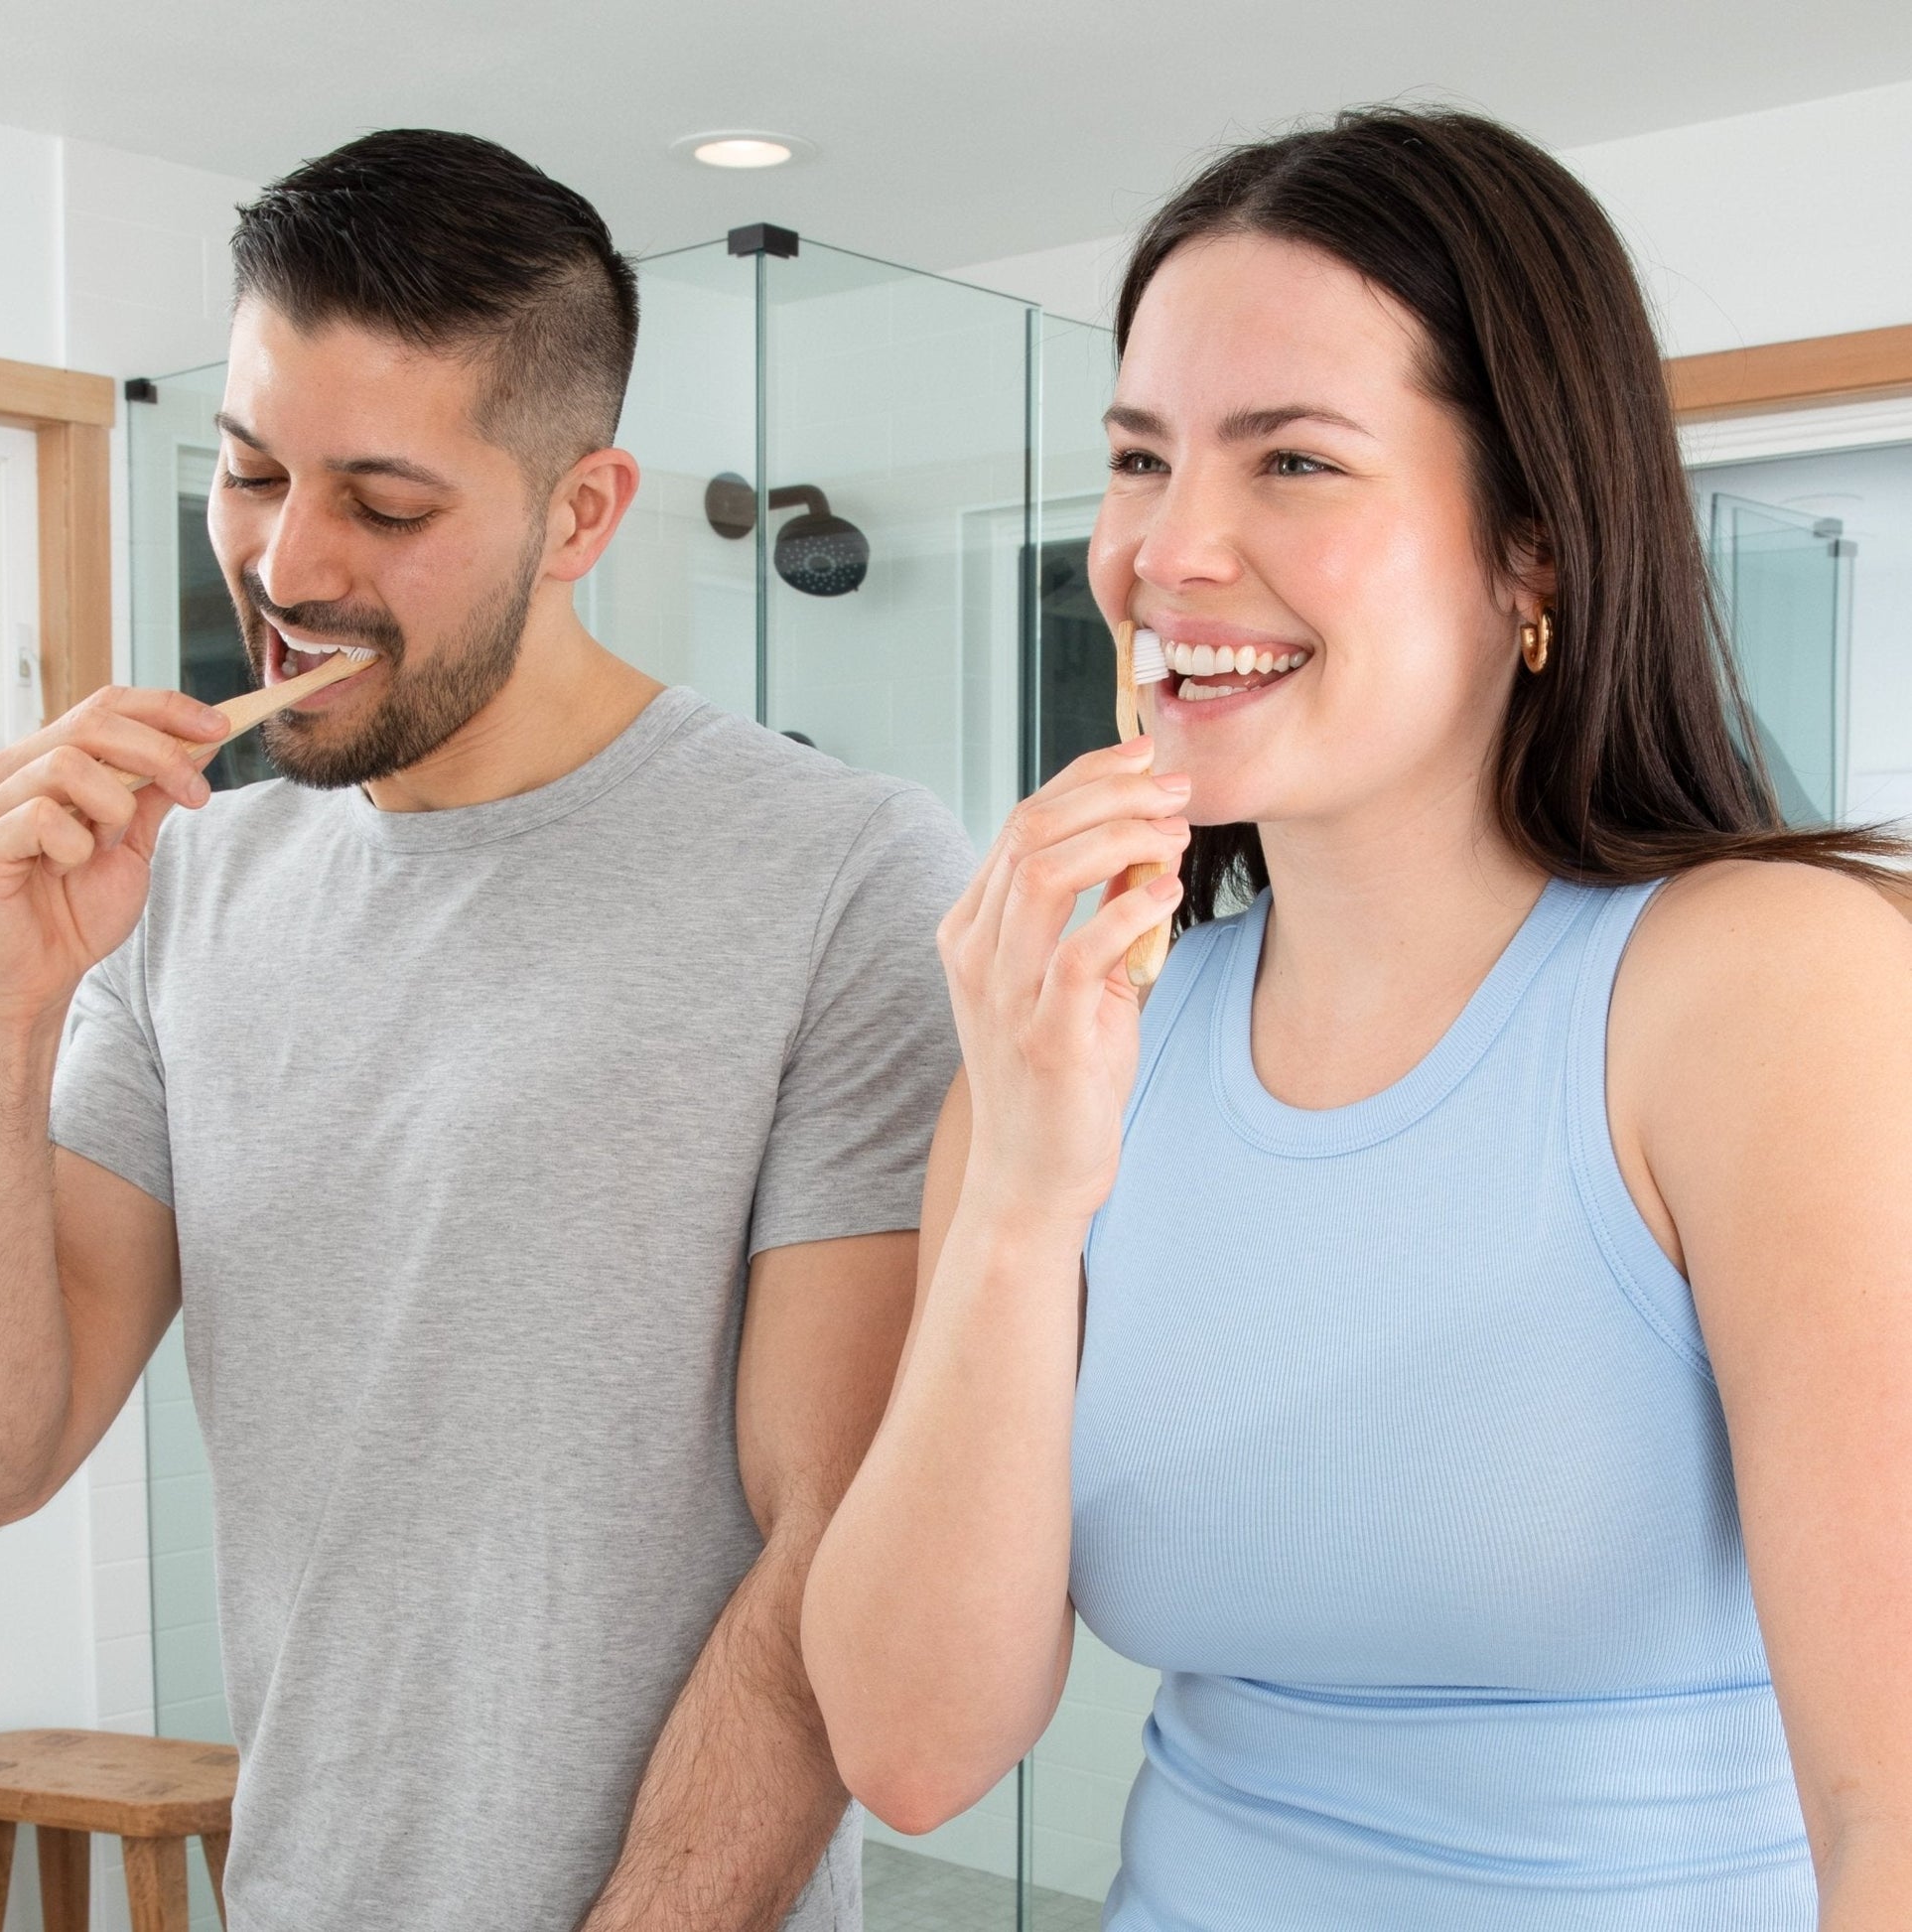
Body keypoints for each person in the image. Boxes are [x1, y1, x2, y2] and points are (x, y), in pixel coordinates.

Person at [803, 108, 1912, 1929]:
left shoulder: (1760, 986)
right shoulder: (1086, 1047)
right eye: (1140, 459)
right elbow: (913, 1747)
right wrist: (1018, 1182)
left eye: (1293, 463)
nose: (1171, 550)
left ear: (1531, 556)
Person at [0, 129, 970, 1932]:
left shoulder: (835, 871)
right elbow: (0, 1453)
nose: (284, 565)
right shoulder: (185, 884)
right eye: (250, 472)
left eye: (386, 505)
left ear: (584, 511)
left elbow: (834, 1544)